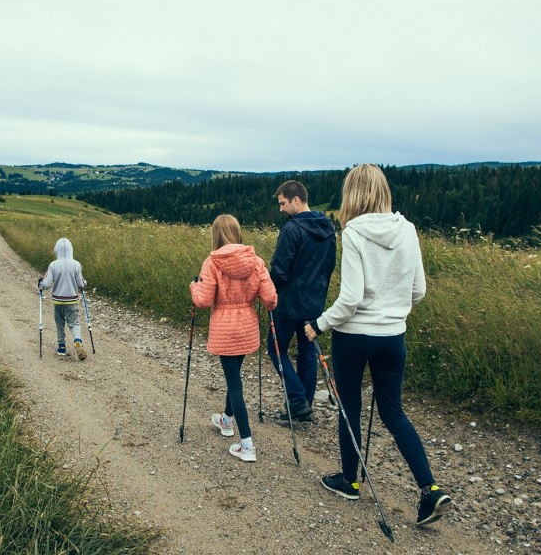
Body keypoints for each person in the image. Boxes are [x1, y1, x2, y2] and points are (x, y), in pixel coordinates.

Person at [304, 163, 452, 526]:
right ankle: (429, 490)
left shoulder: (353, 233)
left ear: (351, 194)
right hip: (393, 337)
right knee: (393, 412)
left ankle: (350, 481)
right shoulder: (408, 230)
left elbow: (351, 298)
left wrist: (318, 324)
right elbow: (419, 290)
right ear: (383, 191)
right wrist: (392, 314)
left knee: (349, 407)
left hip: (353, 338)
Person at [191, 215, 277, 462]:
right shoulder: (256, 261)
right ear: (237, 232)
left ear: (216, 235)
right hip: (247, 327)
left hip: (225, 328)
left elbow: (204, 301)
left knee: (235, 384)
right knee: (234, 377)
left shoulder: (212, 262)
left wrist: (193, 287)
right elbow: (271, 299)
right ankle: (226, 420)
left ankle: (247, 444)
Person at [268, 180, 336, 422]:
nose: (281, 209)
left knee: (276, 350)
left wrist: (267, 289)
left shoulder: (291, 230)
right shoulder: (327, 227)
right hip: (314, 303)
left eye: (283, 203)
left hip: (288, 303)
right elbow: (330, 266)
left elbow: (279, 271)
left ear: (296, 200)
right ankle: (304, 407)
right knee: (307, 353)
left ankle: (297, 400)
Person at [39, 237, 88, 360]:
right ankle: (77, 341)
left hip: (58, 300)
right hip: (72, 299)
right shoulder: (76, 264)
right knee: (74, 323)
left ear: (57, 250)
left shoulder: (53, 265)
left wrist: (40, 284)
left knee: (59, 323)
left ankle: (61, 348)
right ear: (71, 249)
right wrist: (85, 284)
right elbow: (81, 284)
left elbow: (46, 284)